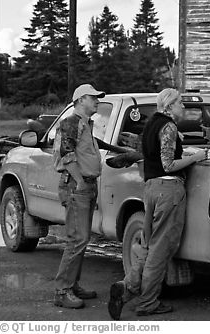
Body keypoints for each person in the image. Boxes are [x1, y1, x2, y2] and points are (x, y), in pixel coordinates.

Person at [108, 88, 208, 319]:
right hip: (168, 190)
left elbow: (152, 155)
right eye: (180, 103)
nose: (183, 107)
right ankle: (148, 302)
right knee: (161, 250)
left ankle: (128, 287)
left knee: (147, 245)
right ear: (170, 106)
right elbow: (168, 164)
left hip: (151, 188)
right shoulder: (169, 127)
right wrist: (195, 157)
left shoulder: (152, 123)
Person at [53, 84, 131, 309]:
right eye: (93, 98)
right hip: (77, 186)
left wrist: (122, 151)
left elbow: (94, 146)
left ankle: (72, 284)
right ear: (80, 100)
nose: (97, 101)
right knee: (77, 240)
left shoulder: (86, 124)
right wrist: (79, 182)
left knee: (82, 239)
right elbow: (67, 155)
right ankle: (62, 290)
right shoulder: (70, 123)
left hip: (85, 185)